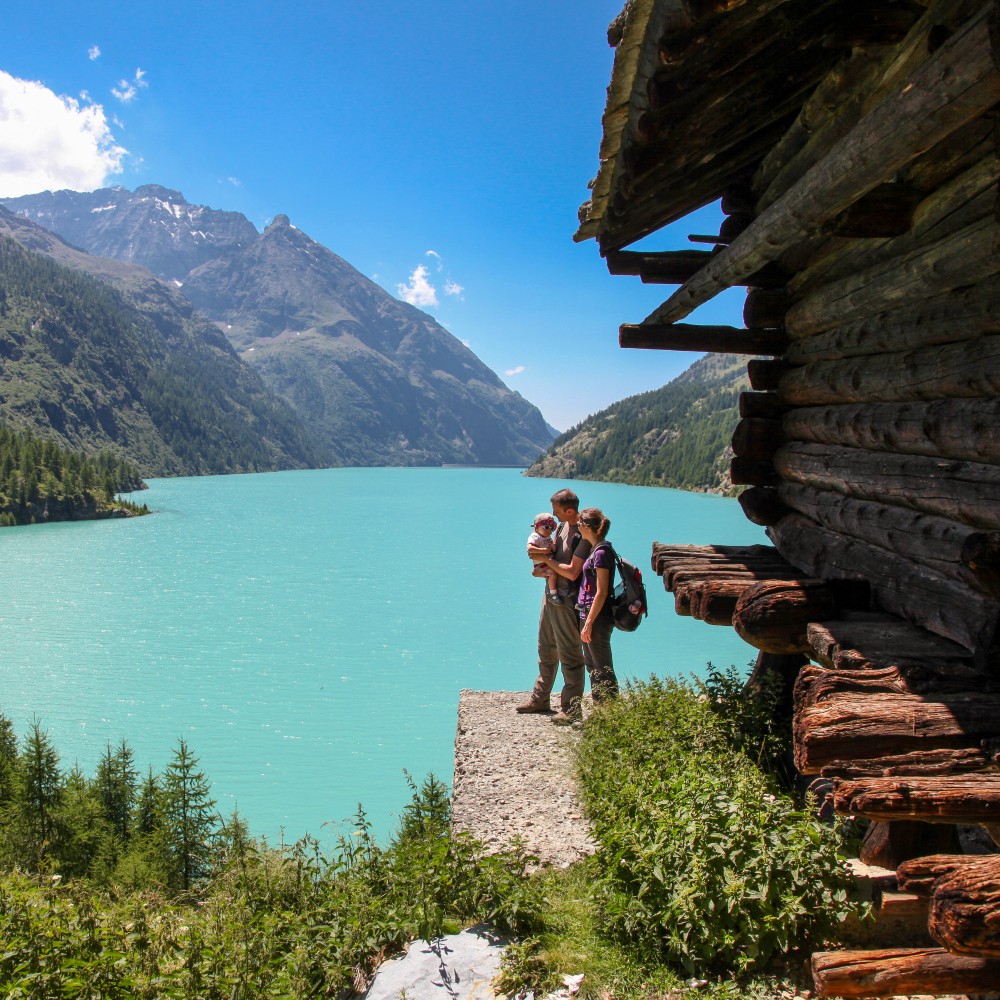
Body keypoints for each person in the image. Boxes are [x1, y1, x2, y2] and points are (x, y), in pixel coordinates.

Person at [517, 488, 590, 720]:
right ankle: (540, 699)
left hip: (567, 600)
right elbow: (550, 553)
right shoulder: (560, 527)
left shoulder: (583, 534)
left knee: (570, 654)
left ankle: (571, 709)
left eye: (556, 510)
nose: (553, 515)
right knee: (545, 648)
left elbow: (573, 572)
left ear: (569, 510)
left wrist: (545, 559)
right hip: (551, 595)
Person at [570, 506, 620, 716]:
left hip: (596, 617)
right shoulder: (595, 550)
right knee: (592, 665)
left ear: (589, 527)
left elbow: (601, 592)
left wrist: (589, 622)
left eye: (580, 523)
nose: (578, 527)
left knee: (602, 668)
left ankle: (610, 715)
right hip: (588, 613)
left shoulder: (601, 553)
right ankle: (601, 714)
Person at [527, 512, 561, 603]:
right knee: (552, 574)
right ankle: (553, 594)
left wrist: (553, 546)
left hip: (547, 562)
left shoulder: (548, 537)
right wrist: (543, 551)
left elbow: (552, 545)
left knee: (552, 574)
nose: (549, 530)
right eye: (546, 527)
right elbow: (530, 548)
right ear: (536, 527)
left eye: (552, 528)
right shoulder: (535, 536)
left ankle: (538, 574)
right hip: (541, 563)